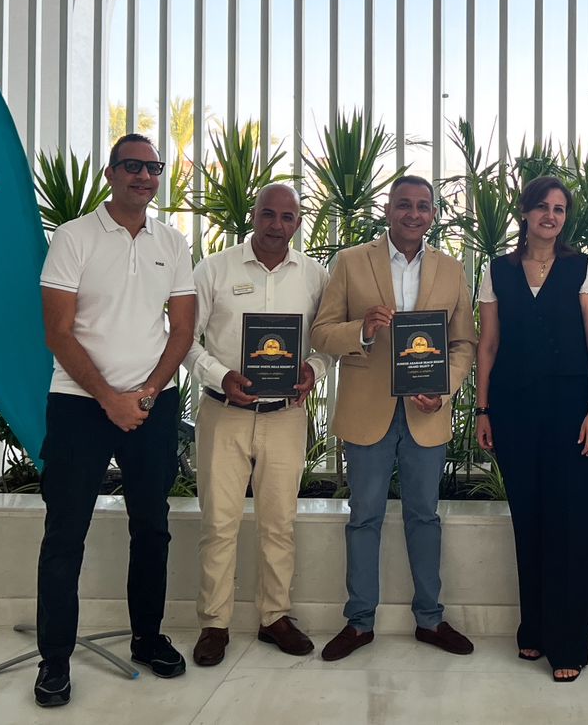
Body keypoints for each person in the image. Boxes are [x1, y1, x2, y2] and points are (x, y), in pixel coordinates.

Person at [33, 133, 194, 708]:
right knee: (65, 533)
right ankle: (55, 660)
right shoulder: (73, 237)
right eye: (132, 166)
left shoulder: (172, 242)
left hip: (153, 405)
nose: (144, 176)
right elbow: (58, 332)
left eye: (153, 167)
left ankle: (147, 639)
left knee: (151, 526)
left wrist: (145, 395)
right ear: (110, 173)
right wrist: (108, 397)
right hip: (79, 405)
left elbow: (182, 330)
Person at [309, 175, 479, 661]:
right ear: (388, 209)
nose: (413, 214)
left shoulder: (451, 269)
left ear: (433, 215)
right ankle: (359, 622)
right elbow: (321, 333)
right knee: (364, 517)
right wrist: (362, 330)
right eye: (404, 204)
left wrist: (444, 386)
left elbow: (463, 343)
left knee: (425, 517)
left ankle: (430, 619)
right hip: (367, 412)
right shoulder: (351, 262)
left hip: (426, 413)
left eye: (423, 206)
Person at [185, 184, 331, 665]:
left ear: (298, 223)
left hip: (285, 416)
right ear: (253, 216)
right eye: (268, 214)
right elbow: (185, 339)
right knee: (219, 523)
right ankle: (214, 623)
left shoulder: (315, 276)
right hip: (222, 413)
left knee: (279, 523)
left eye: (287, 217)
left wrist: (314, 369)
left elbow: (327, 341)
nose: (276, 225)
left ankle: (274, 617)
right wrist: (220, 376)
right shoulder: (214, 269)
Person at [475, 175, 588, 683]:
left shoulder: (582, 268)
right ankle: (532, 628)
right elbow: (488, 345)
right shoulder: (497, 271)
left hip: (572, 412)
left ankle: (568, 642)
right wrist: (482, 410)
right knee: (528, 520)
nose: (551, 216)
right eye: (542, 207)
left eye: (559, 209)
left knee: (570, 524)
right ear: (525, 213)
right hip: (513, 410)